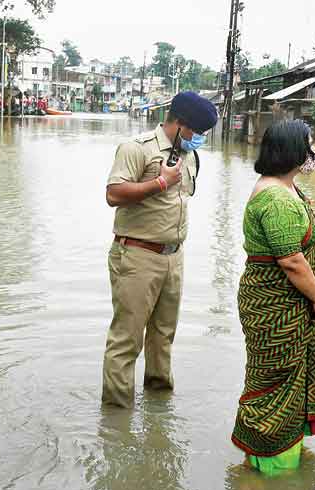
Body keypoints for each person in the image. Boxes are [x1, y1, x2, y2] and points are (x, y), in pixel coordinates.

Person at [232, 120, 315, 475]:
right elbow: (291, 261)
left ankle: (282, 448)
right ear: (294, 150)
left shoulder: (286, 188)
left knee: (288, 379)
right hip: (275, 304)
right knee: (274, 381)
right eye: (309, 145)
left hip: (289, 304)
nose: (314, 152)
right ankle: (269, 466)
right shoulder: (276, 197)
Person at [101, 91, 218, 408]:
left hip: (173, 257)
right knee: (127, 339)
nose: (199, 139)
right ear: (179, 123)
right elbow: (113, 194)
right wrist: (160, 183)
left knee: (163, 336)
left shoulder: (189, 155)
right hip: (137, 256)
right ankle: (117, 416)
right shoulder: (136, 149)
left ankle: (159, 408)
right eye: (196, 132)